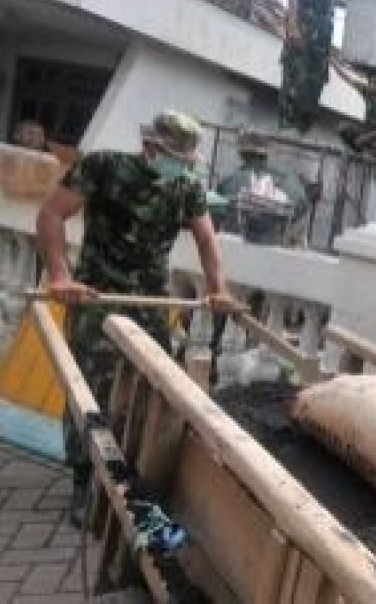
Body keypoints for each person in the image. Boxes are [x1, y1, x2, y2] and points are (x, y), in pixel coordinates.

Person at [35, 110, 239, 521]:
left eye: (185, 163)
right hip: (97, 294)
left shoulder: (184, 187)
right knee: (91, 390)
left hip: (149, 302)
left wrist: (218, 288)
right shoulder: (104, 166)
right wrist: (60, 275)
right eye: (176, 159)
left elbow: (206, 238)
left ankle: (131, 480)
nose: (180, 168)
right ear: (152, 147)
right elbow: (51, 214)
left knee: (155, 389)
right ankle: (82, 482)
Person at [279, 0, 351, 134]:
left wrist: (352, 5)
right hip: (303, 25)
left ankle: (302, 130)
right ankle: (286, 127)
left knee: (315, 84)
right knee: (294, 77)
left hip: (323, 33)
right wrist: (292, 25)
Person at [215, 131, 310, 245]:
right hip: (275, 244)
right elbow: (302, 205)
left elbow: (217, 210)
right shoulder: (289, 179)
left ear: (242, 153)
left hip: (235, 243)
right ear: (266, 153)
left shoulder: (231, 179)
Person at [335, 65, 376, 154]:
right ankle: (358, 150)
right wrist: (332, 61)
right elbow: (347, 79)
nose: (373, 85)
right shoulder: (368, 93)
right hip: (366, 131)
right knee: (343, 127)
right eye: (371, 82)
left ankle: (370, 150)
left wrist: (367, 137)